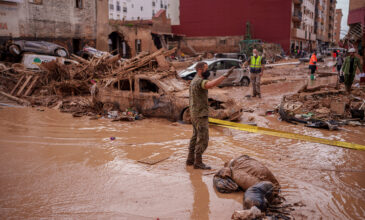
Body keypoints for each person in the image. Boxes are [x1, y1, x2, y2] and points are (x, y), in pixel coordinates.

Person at [187, 62, 235, 170]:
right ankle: (198, 162)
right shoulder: (199, 81)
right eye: (206, 68)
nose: (208, 70)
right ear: (200, 69)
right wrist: (225, 75)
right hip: (200, 114)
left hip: (194, 113)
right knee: (203, 138)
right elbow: (210, 84)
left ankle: (190, 160)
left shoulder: (194, 80)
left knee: (195, 136)